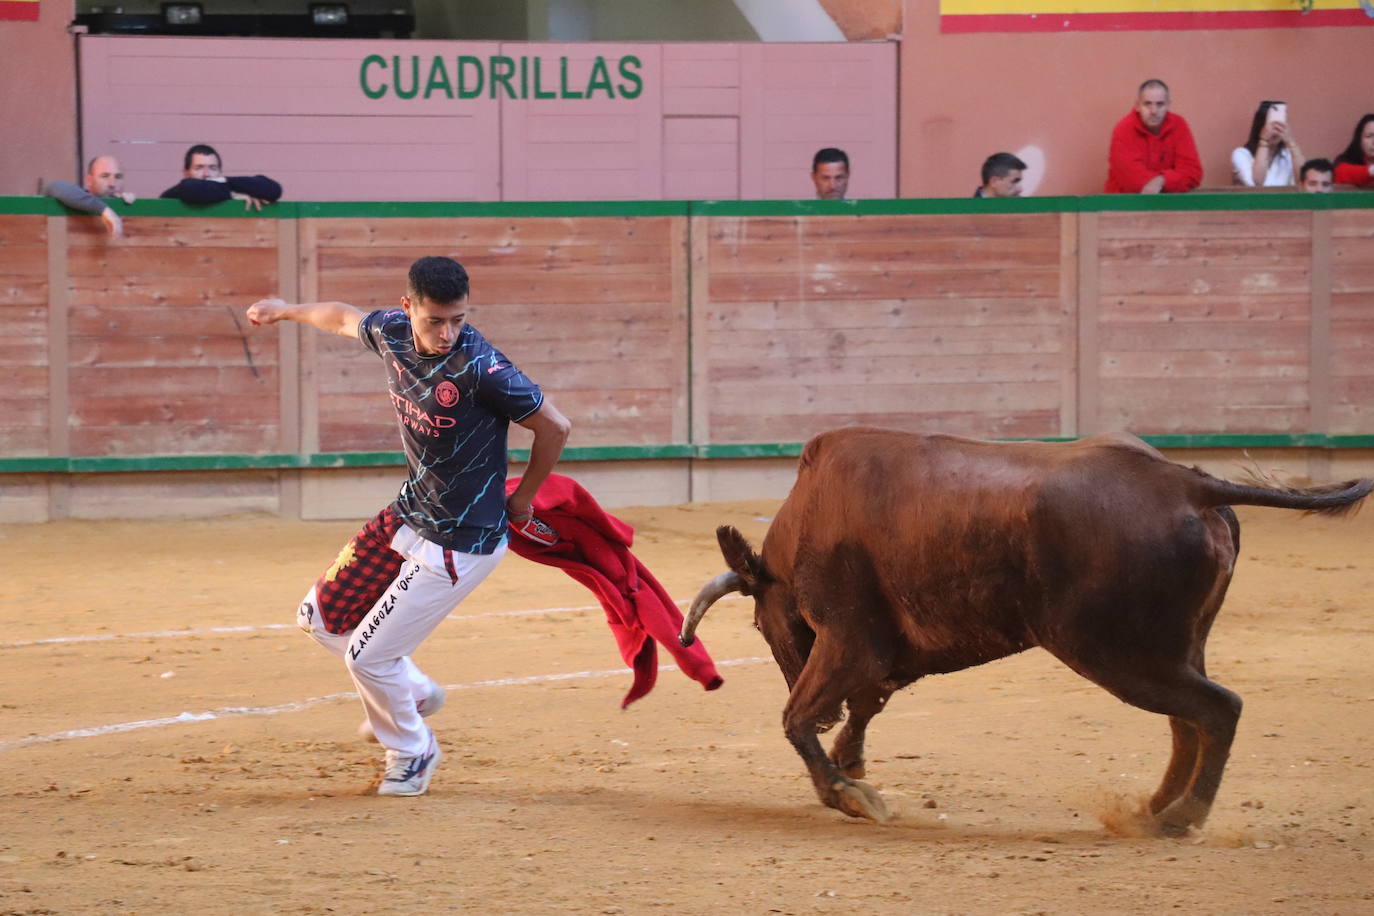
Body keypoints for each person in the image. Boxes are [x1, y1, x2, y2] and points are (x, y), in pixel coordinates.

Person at [245, 256, 571, 797]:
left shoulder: (481, 367)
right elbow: (341, 316)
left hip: (463, 540)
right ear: (408, 308)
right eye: (435, 321)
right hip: (410, 513)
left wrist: (524, 501)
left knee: (368, 658)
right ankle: (413, 692)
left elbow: (554, 426)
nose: (447, 334)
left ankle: (413, 751)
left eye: (458, 321)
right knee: (320, 619)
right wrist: (283, 311)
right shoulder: (392, 333)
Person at [1104, 79, 1203, 194]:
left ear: (1168, 105)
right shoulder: (1123, 129)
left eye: (1160, 104)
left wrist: (1161, 180)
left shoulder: (1179, 125)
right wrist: (1171, 180)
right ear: (1137, 106)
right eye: (1147, 104)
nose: (1154, 111)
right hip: (1124, 206)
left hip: (1169, 204)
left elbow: (1193, 173)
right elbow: (1133, 182)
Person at [161, 144, 283, 209]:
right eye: (199, 168)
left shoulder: (222, 185)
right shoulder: (177, 192)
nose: (206, 174)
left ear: (220, 171)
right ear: (186, 173)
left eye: (213, 168)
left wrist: (225, 183)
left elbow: (273, 190)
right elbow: (191, 189)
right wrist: (232, 194)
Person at [44, 154, 136, 237]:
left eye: (118, 177)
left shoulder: (122, 199)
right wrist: (104, 209)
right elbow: (53, 186)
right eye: (105, 176)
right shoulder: (75, 196)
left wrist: (127, 205)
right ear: (89, 180)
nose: (112, 184)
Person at [1231, 101, 1305, 188]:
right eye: (1271, 125)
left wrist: (1291, 142)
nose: (1275, 131)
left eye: (1280, 126)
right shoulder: (1241, 154)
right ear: (1260, 126)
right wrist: (1264, 141)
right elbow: (1256, 184)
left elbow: (1303, 180)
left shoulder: (1288, 155)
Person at [1333, 113, 1374, 188]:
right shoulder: (1346, 159)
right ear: (1359, 139)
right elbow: (1338, 173)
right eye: (1369, 136)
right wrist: (1370, 171)